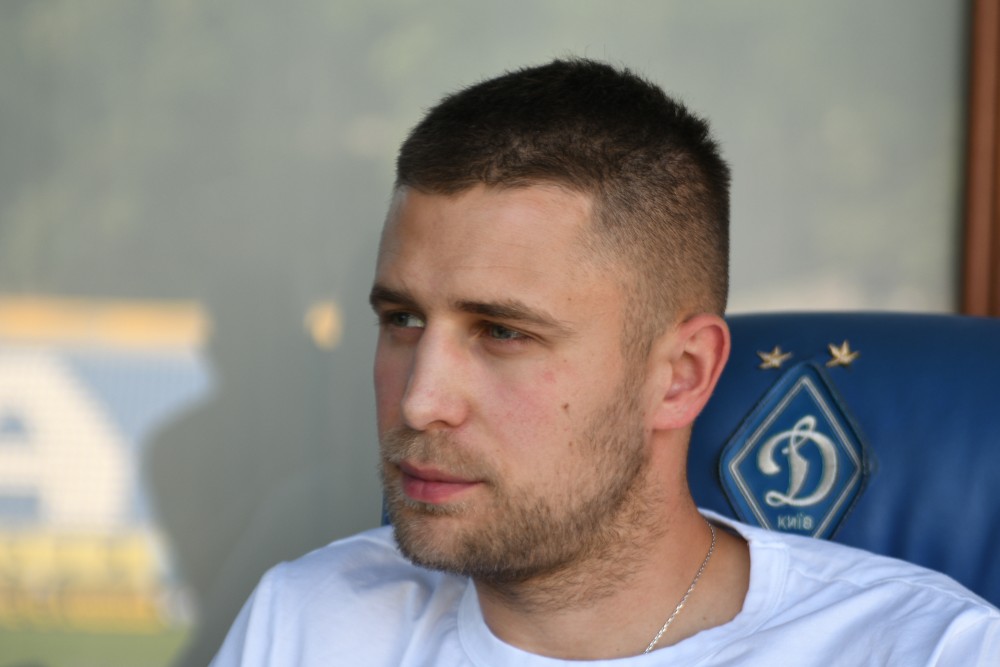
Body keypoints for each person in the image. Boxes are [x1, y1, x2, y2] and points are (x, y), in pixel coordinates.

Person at [210, 59, 999, 665]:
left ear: (681, 374)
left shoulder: (927, 650)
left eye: (502, 332)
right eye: (403, 319)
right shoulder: (312, 620)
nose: (420, 400)